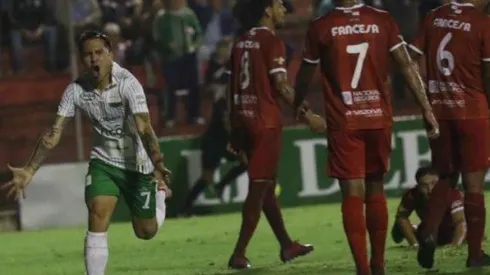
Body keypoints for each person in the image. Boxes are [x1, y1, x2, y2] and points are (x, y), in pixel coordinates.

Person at [0, 30, 171, 275]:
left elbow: (144, 127)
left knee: (146, 231)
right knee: (98, 212)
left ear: (110, 53)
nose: (94, 59)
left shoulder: (128, 84)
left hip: (137, 164)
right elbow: (53, 134)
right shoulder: (76, 90)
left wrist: (157, 163)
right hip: (104, 162)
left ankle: (160, 195)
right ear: (81, 59)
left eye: (99, 52)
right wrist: (29, 169)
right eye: (88, 54)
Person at [293, 1, 439, 274]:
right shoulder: (382, 20)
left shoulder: (322, 26)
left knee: (352, 194)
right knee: (375, 189)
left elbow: (304, 73)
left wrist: (298, 101)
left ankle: (363, 269)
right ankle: (378, 265)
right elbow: (407, 65)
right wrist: (426, 108)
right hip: (377, 117)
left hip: (344, 120)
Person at [226, 0, 327, 269]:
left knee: (267, 186)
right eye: (281, 6)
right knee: (259, 188)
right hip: (265, 124)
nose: (284, 12)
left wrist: (233, 128)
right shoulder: (272, 42)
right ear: (268, 9)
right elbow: (281, 85)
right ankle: (239, 253)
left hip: (244, 120)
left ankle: (287, 245)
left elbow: (230, 89)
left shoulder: (239, 43)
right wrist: (308, 116)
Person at [407, 0, 490, 269]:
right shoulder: (482, 23)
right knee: (474, 185)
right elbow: (488, 73)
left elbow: (410, 59)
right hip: (473, 111)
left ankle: (429, 231)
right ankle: (475, 254)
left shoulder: (433, 17)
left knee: (445, 176)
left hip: (438, 110)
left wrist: (425, 97)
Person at [181, 39, 247, 215]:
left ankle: (220, 185)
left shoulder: (234, 101)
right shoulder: (223, 102)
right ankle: (184, 209)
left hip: (224, 141)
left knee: (246, 162)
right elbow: (226, 123)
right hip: (213, 141)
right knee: (206, 177)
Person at [391, 166, 466, 248]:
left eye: (434, 183)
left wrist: (455, 245)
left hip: (451, 232)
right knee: (397, 230)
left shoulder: (452, 194)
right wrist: (414, 243)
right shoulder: (412, 195)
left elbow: (460, 222)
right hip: (430, 232)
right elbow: (402, 217)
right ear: (418, 186)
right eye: (424, 185)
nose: (430, 189)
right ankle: (416, 230)